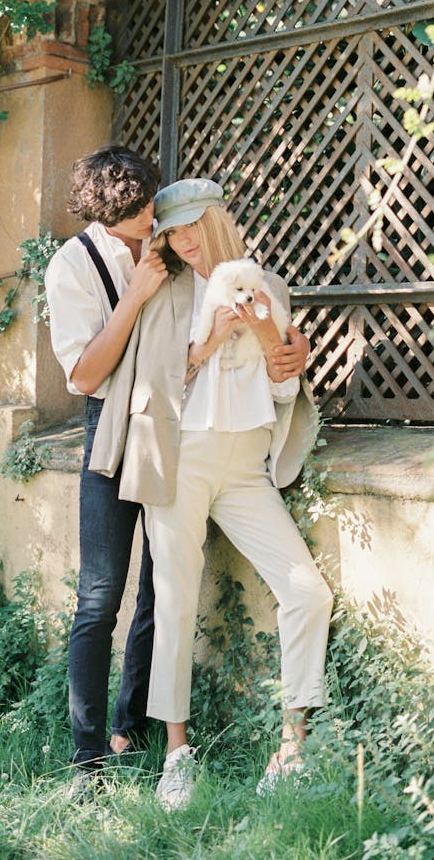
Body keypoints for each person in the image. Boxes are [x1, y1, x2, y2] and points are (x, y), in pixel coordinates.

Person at [89, 178, 333, 811]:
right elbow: (147, 378)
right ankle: (176, 755)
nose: (184, 239)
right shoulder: (165, 292)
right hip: (182, 458)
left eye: (193, 224)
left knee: (307, 591)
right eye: (171, 231)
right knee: (172, 599)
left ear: (219, 218)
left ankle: (292, 748)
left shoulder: (267, 288)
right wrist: (209, 343)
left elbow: (282, 390)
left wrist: (277, 353)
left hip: (246, 462)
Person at [43, 145, 169, 796]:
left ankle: (130, 732)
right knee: (99, 598)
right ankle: (86, 759)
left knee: (159, 587)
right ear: (113, 211)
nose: (155, 212)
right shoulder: (73, 266)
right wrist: (139, 292)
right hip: (110, 429)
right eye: (144, 206)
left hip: (170, 424)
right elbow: (85, 374)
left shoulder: (164, 239)